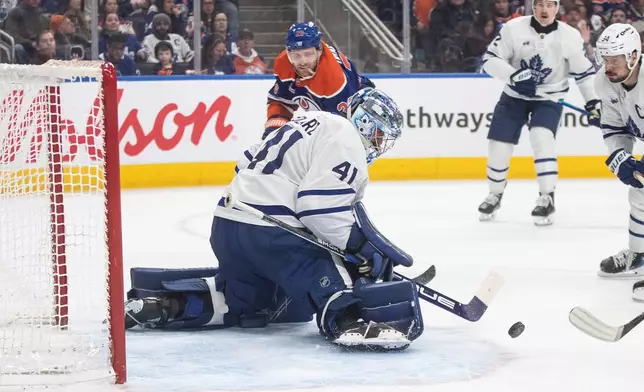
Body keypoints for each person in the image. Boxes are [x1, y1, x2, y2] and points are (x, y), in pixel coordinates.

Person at [123, 88, 424, 351]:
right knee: (334, 278)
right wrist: (359, 246)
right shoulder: (348, 140)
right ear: (365, 123)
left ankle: (162, 306)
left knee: (245, 305)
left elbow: (245, 163)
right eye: (380, 133)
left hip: (228, 223)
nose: (381, 142)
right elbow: (317, 209)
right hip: (272, 233)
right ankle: (352, 322)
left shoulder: (309, 121)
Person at [478, 0, 601, 225]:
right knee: (498, 146)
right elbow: (489, 60)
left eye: (550, 4)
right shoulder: (513, 29)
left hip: (549, 98)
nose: (545, 10)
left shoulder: (569, 36)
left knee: (542, 138)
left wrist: (593, 102)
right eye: (540, 4)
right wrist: (513, 76)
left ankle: (547, 197)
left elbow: (583, 73)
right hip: (514, 97)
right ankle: (495, 195)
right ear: (533, 7)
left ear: (557, 8)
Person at [592, 23, 644, 301]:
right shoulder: (604, 82)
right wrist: (620, 155)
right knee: (640, 192)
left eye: (615, 59)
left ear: (633, 57)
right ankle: (639, 257)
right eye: (605, 59)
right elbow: (613, 126)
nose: (608, 66)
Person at [263, 21, 375, 139]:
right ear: (288, 53)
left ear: (319, 51)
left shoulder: (332, 79)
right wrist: (274, 131)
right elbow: (281, 100)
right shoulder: (284, 63)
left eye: (308, 54)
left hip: (355, 100)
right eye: (296, 55)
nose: (302, 62)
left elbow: (341, 128)